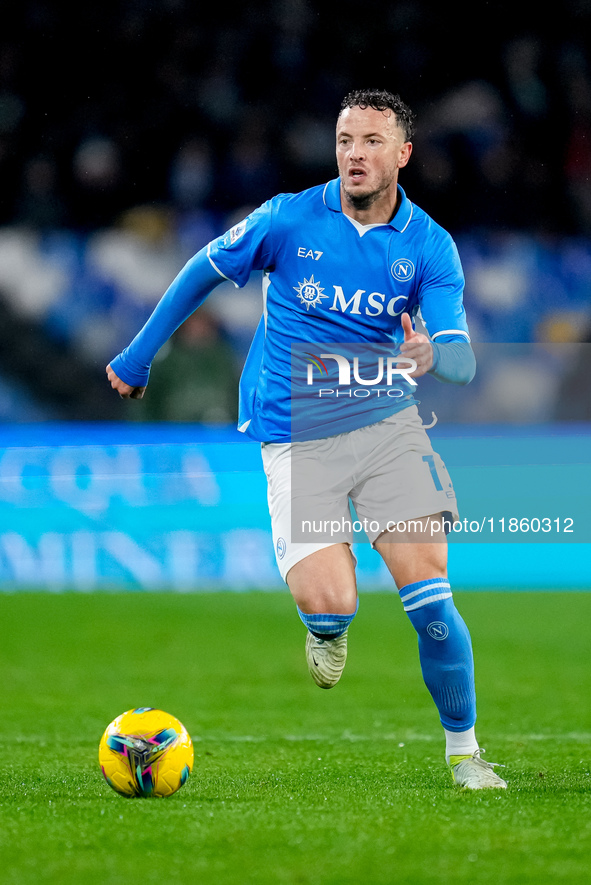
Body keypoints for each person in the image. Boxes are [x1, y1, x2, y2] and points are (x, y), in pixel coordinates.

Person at [106, 89, 507, 790]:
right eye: (345, 139)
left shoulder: (428, 246)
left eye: (372, 141)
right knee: (329, 603)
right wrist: (137, 357)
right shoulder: (289, 216)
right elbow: (202, 268)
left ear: (402, 155)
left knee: (433, 603)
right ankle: (326, 626)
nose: (355, 154)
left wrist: (429, 357)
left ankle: (464, 753)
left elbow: (462, 359)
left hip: (386, 426)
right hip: (295, 431)